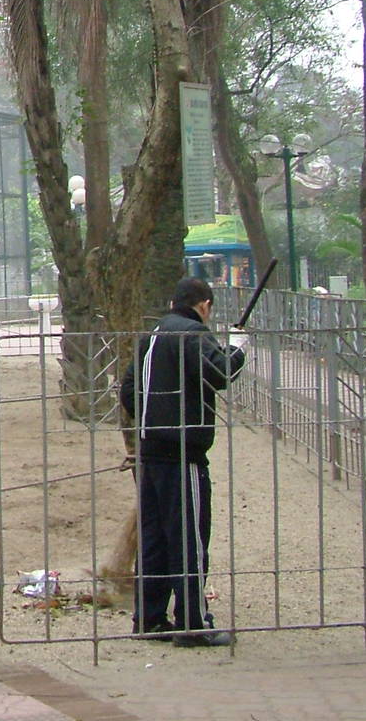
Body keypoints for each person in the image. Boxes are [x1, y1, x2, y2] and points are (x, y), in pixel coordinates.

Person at [119, 276, 247, 647]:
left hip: (150, 452)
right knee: (189, 538)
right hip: (182, 455)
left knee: (155, 539)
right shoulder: (192, 333)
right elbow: (220, 373)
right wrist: (238, 348)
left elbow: (128, 390)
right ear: (204, 305)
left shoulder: (152, 335)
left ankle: (150, 618)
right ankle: (192, 623)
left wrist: (150, 421)